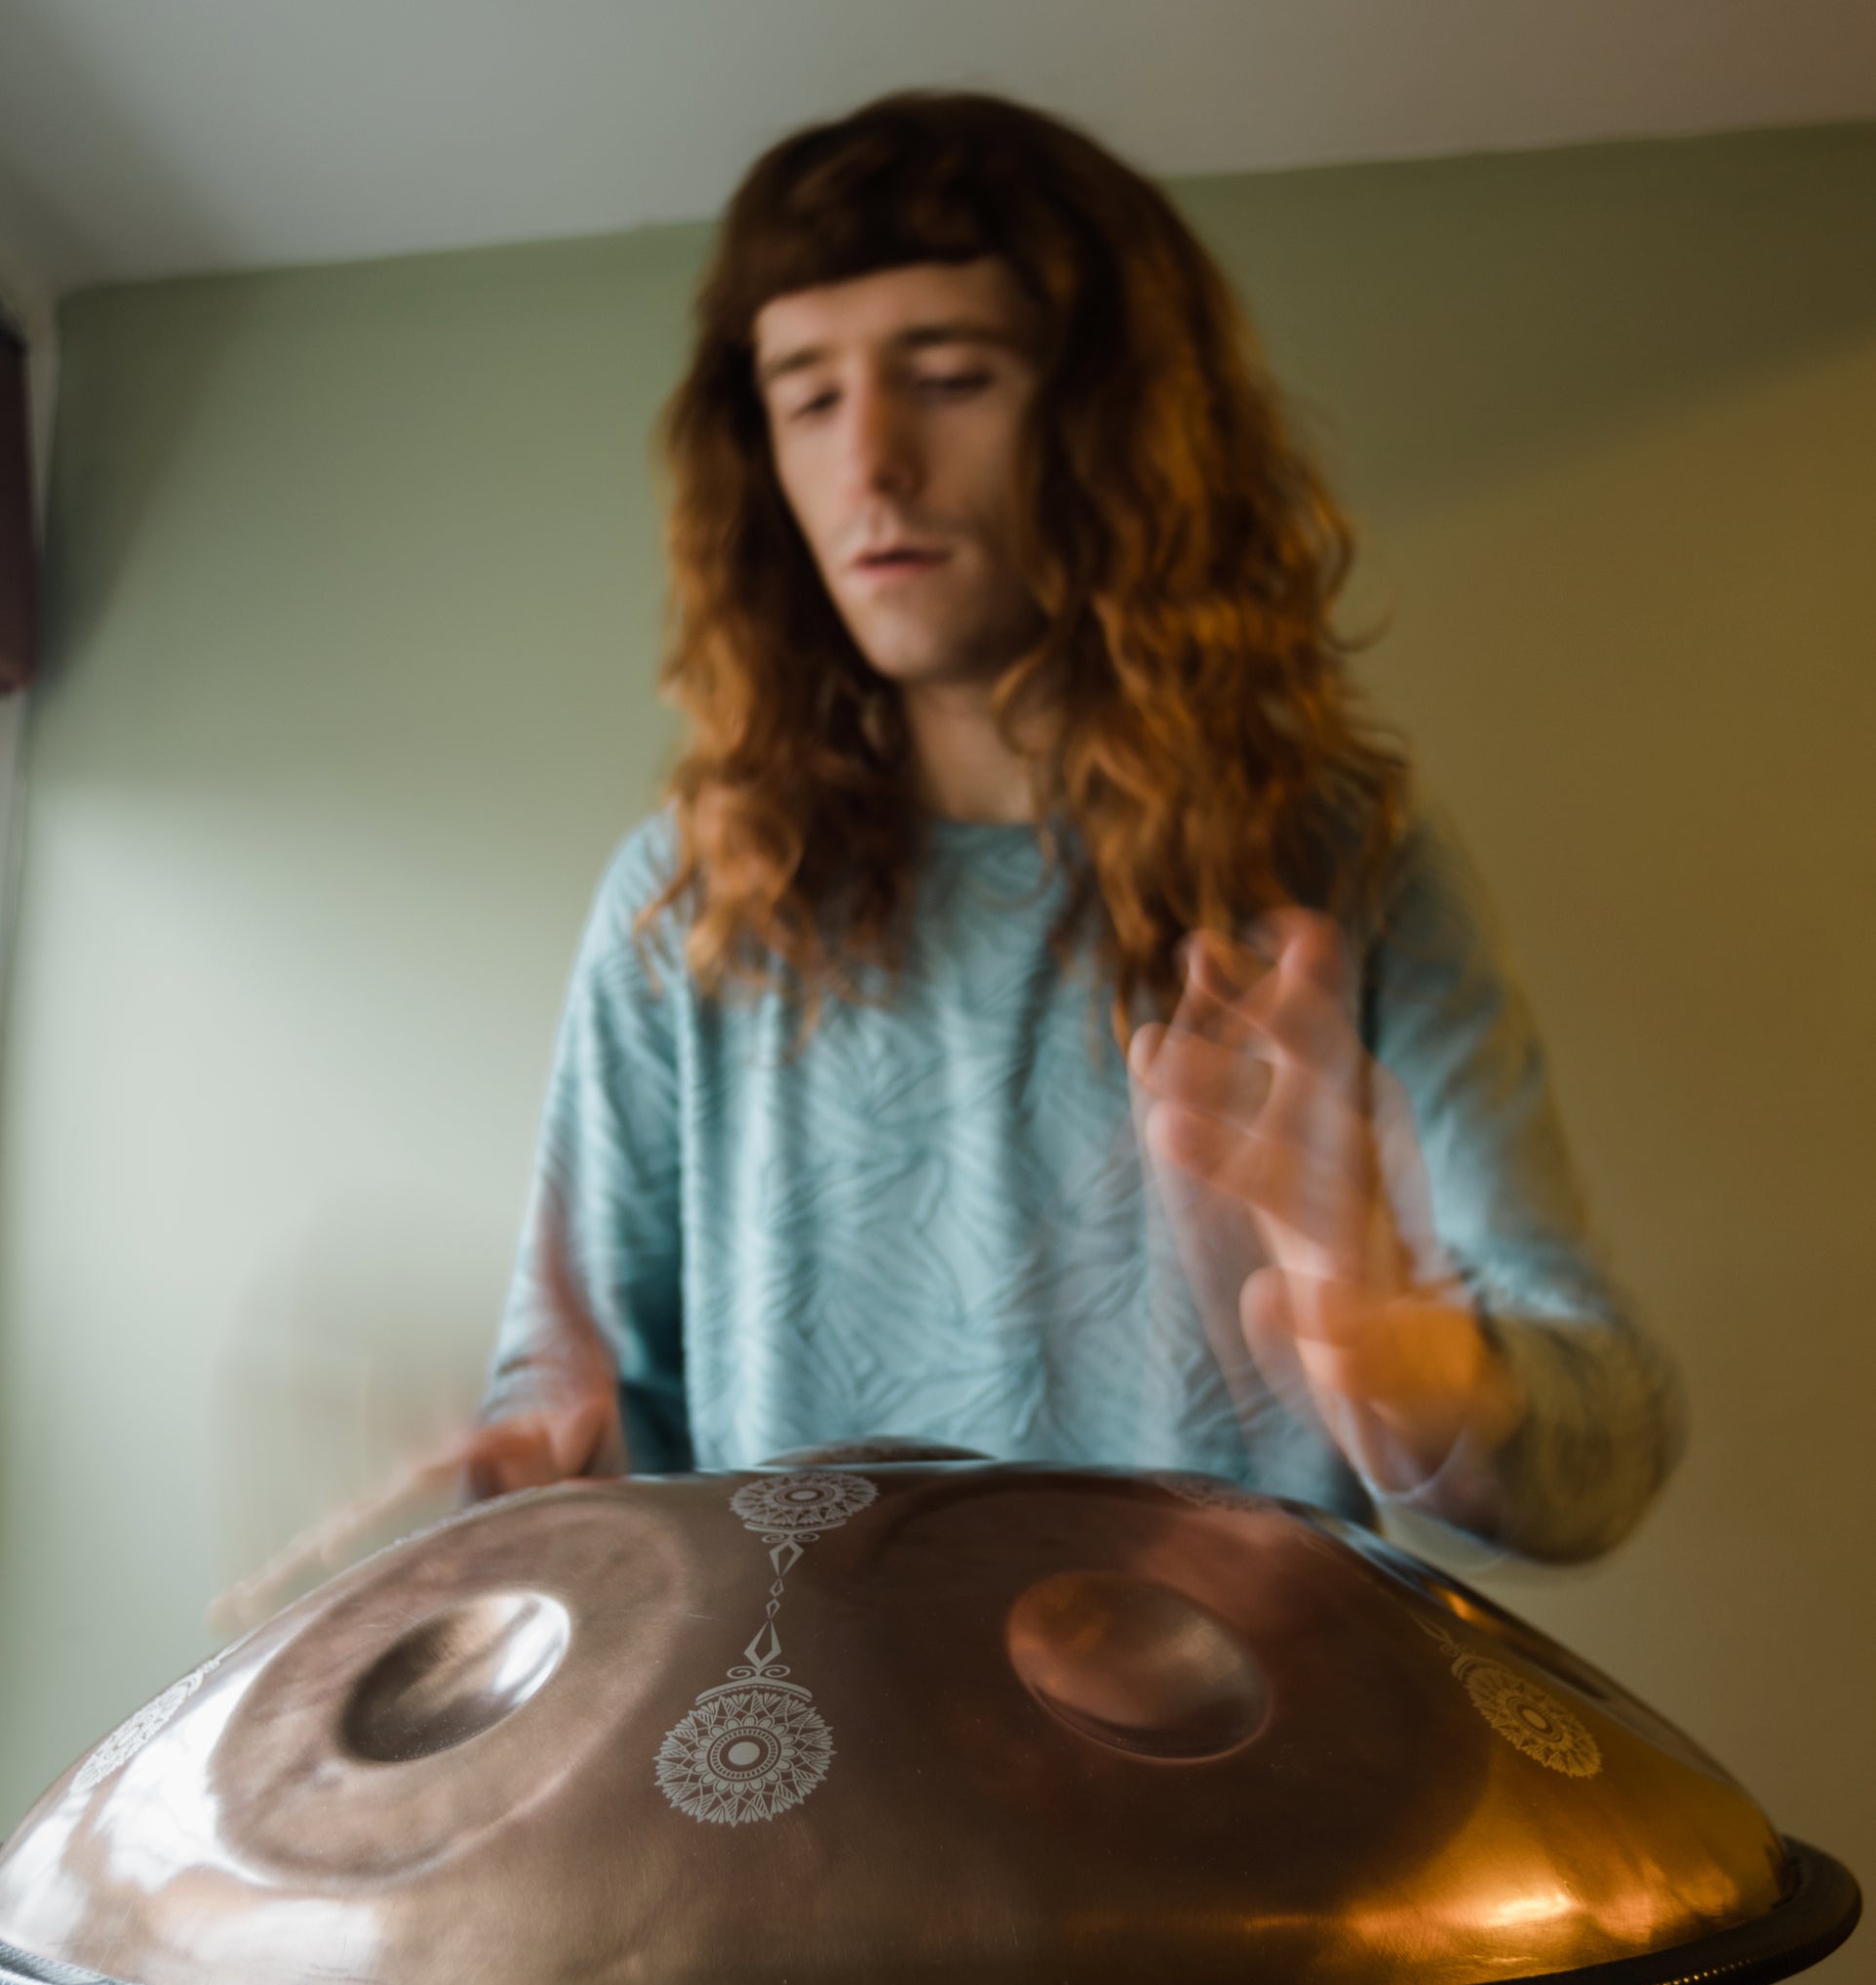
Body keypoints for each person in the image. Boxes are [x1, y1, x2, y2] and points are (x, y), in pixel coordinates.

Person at [467, 90, 1682, 1565]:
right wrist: (532, 1477)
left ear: (1116, 426)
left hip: (1247, 1766)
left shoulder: (1340, 864)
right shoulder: (686, 897)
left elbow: (1600, 1443)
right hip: (810, 1772)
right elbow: (583, 1417)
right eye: (807, 397)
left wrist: (1393, 1351)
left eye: (953, 375)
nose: (872, 466)